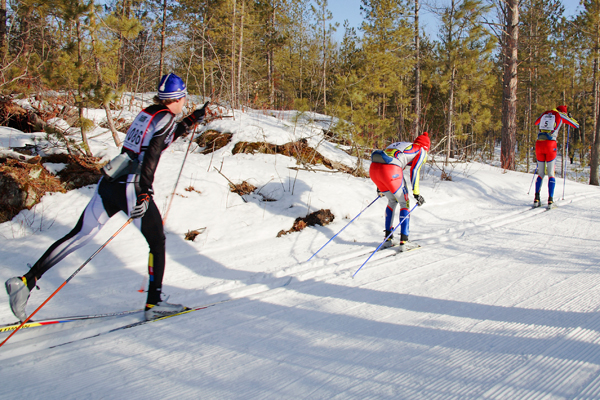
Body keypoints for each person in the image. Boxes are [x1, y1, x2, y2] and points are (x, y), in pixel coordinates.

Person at [5, 73, 208, 322]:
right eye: (184, 98)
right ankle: (154, 303)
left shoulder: (148, 113)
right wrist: (145, 191)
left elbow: (157, 139)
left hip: (110, 181)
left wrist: (191, 119)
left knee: (78, 236)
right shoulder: (166, 117)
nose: (185, 101)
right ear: (176, 98)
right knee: (157, 241)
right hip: (132, 186)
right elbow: (152, 153)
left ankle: (26, 281)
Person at [369, 132, 430, 252]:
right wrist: (416, 193)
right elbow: (415, 170)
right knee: (404, 203)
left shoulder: (401, 144)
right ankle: (404, 241)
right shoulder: (421, 149)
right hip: (391, 170)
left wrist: (379, 187)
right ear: (426, 146)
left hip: (374, 170)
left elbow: (382, 160)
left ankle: (388, 239)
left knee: (392, 200)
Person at [533, 105, 579, 208]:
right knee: (550, 173)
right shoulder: (561, 115)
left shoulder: (545, 113)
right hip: (550, 145)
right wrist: (570, 117)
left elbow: (536, 122)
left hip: (539, 144)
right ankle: (550, 200)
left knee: (540, 173)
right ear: (563, 112)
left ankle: (536, 198)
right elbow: (576, 125)